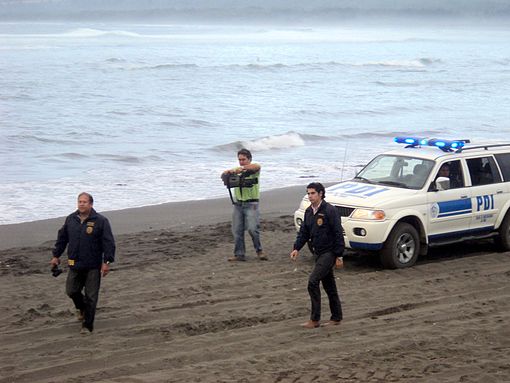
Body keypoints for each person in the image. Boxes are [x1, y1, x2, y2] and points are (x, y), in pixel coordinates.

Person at [51, 192, 115, 334]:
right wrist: (56, 255)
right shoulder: (71, 219)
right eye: (79, 201)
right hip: (75, 263)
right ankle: (82, 308)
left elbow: (108, 242)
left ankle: (87, 326)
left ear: (91, 204)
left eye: (84, 202)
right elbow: (62, 239)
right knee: (71, 291)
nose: (81, 204)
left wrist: (107, 262)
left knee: (91, 296)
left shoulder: (101, 221)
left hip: (93, 265)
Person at [290, 182, 344, 329]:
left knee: (313, 281)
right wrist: (297, 248)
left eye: (313, 193)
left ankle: (315, 319)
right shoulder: (309, 212)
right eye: (308, 193)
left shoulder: (330, 211)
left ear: (320, 194)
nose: (310, 196)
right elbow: (304, 233)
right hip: (318, 252)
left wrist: (339, 255)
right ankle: (337, 316)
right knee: (329, 286)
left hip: (329, 252)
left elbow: (338, 233)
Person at [222, 148, 267, 261]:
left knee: (252, 229)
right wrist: (227, 173)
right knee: (237, 230)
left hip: (252, 203)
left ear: (249, 159)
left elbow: (257, 166)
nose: (241, 162)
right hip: (238, 204)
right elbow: (223, 176)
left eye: (243, 159)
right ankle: (239, 254)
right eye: (239, 160)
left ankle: (259, 250)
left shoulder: (254, 170)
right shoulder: (236, 173)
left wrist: (240, 169)